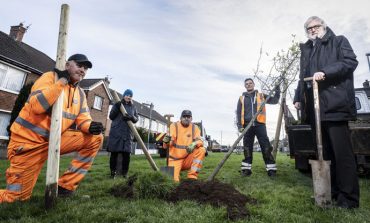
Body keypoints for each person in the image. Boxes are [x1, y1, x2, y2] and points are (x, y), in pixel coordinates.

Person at [0, 54, 104, 203]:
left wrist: (90, 127)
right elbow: (37, 106)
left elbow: (83, 119)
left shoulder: (80, 94)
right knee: (15, 198)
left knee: (96, 138)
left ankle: (65, 187)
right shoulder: (50, 78)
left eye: (85, 68)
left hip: (54, 140)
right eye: (79, 65)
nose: (83, 70)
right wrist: (61, 82)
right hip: (28, 145)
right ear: (67, 65)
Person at [293, 16, 359, 209]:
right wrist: (298, 97)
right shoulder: (307, 50)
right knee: (326, 155)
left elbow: (350, 62)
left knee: (342, 155)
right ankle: (333, 194)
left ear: (324, 26)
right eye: (309, 28)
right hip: (315, 109)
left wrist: (325, 72)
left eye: (316, 26)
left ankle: (349, 199)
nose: (313, 30)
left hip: (335, 106)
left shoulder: (338, 41)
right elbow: (302, 76)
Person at [236, 78, 280, 177]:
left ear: (254, 84)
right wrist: (239, 126)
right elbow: (238, 113)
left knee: (266, 147)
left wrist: (277, 89)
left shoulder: (261, 95)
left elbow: (275, 100)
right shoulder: (241, 98)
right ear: (245, 86)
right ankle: (246, 170)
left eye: (250, 83)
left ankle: (271, 170)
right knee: (247, 147)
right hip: (247, 126)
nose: (248, 85)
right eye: (246, 84)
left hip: (260, 124)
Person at [162, 110, 206, 182]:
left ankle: (192, 176)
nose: (186, 118)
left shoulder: (195, 128)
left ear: (191, 119)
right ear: (180, 118)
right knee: (173, 181)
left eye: (188, 117)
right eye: (184, 116)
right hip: (175, 159)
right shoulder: (174, 126)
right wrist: (166, 141)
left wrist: (194, 144)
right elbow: (166, 145)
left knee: (202, 150)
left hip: (187, 159)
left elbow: (200, 141)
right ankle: (175, 177)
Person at [107, 89, 138, 178]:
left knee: (126, 155)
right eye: (127, 95)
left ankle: (125, 174)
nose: (129, 97)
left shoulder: (133, 107)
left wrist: (131, 117)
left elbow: (136, 119)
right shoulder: (117, 104)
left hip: (127, 133)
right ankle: (112, 173)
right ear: (124, 95)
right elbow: (111, 116)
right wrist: (117, 108)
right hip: (116, 132)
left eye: (130, 96)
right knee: (114, 154)